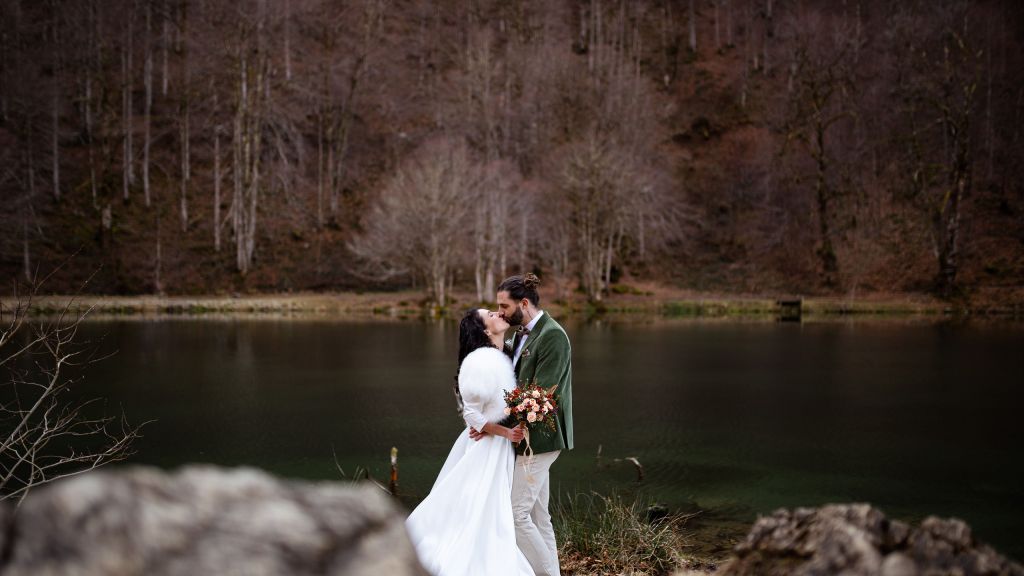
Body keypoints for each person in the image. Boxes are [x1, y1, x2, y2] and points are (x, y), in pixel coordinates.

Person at [405, 309, 534, 576]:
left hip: (499, 444)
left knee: (490, 505)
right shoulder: (479, 362)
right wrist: (502, 431)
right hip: (487, 445)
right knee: (478, 504)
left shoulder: (508, 353)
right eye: (491, 314)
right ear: (485, 330)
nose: (499, 313)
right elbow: (471, 413)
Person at [471, 272, 573, 576]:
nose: (500, 312)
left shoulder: (553, 336)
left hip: (541, 438)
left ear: (524, 303)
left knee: (516, 515)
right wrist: (488, 421)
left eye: (504, 306)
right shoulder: (518, 336)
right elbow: (510, 386)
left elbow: (541, 394)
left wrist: (494, 425)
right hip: (523, 438)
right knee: (540, 518)